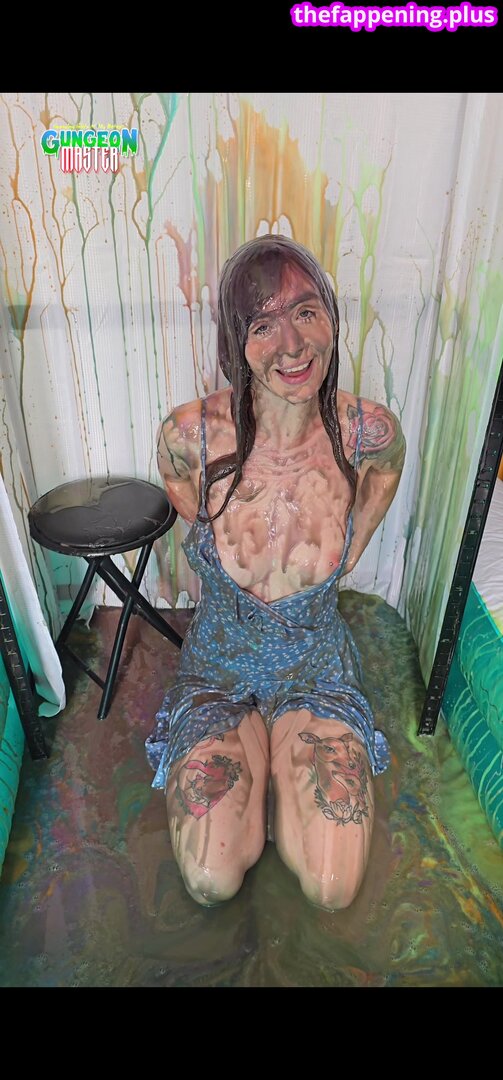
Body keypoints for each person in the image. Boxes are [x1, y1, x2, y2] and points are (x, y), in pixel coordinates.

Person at [146, 234, 406, 911]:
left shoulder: (364, 431)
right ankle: (253, 765)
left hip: (314, 667)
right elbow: (178, 483)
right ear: (236, 342)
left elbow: (388, 465)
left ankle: (279, 770)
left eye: (306, 312)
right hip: (220, 666)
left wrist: (357, 539)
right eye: (263, 325)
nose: (291, 345)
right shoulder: (191, 436)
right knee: (210, 879)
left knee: (332, 886)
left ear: (330, 319)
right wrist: (207, 534)